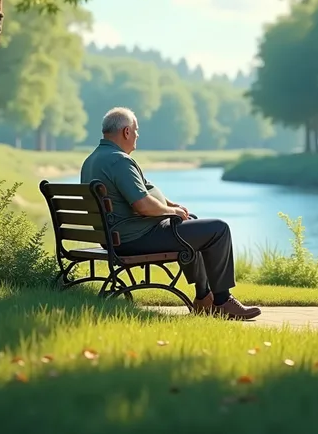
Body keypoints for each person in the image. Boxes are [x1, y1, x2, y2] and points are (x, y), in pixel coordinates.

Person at [81, 106, 261, 320]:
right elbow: (143, 205)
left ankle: (204, 299)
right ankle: (221, 301)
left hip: (117, 237)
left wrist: (172, 206)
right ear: (126, 132)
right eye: (136, 130)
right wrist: (171, 211)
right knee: (218, 229)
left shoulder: (94, 159)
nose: (138, 135)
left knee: (192, 223)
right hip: (134, 238)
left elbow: (144, 190)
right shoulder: (119, 161)